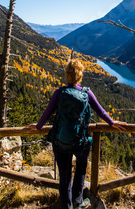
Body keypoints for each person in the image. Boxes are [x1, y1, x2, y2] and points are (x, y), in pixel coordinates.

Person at [25, 59, 127, 209]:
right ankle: (78, 202)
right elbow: (101, 111)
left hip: (61, 142)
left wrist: (37, 126)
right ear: (80, 75)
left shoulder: (59, 93)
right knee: (80, 170)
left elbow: (47, 114)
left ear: (67, 75)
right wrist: (112, 123)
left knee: (64, 177)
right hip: (81, 141)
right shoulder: (87, 93)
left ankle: (67, 206)